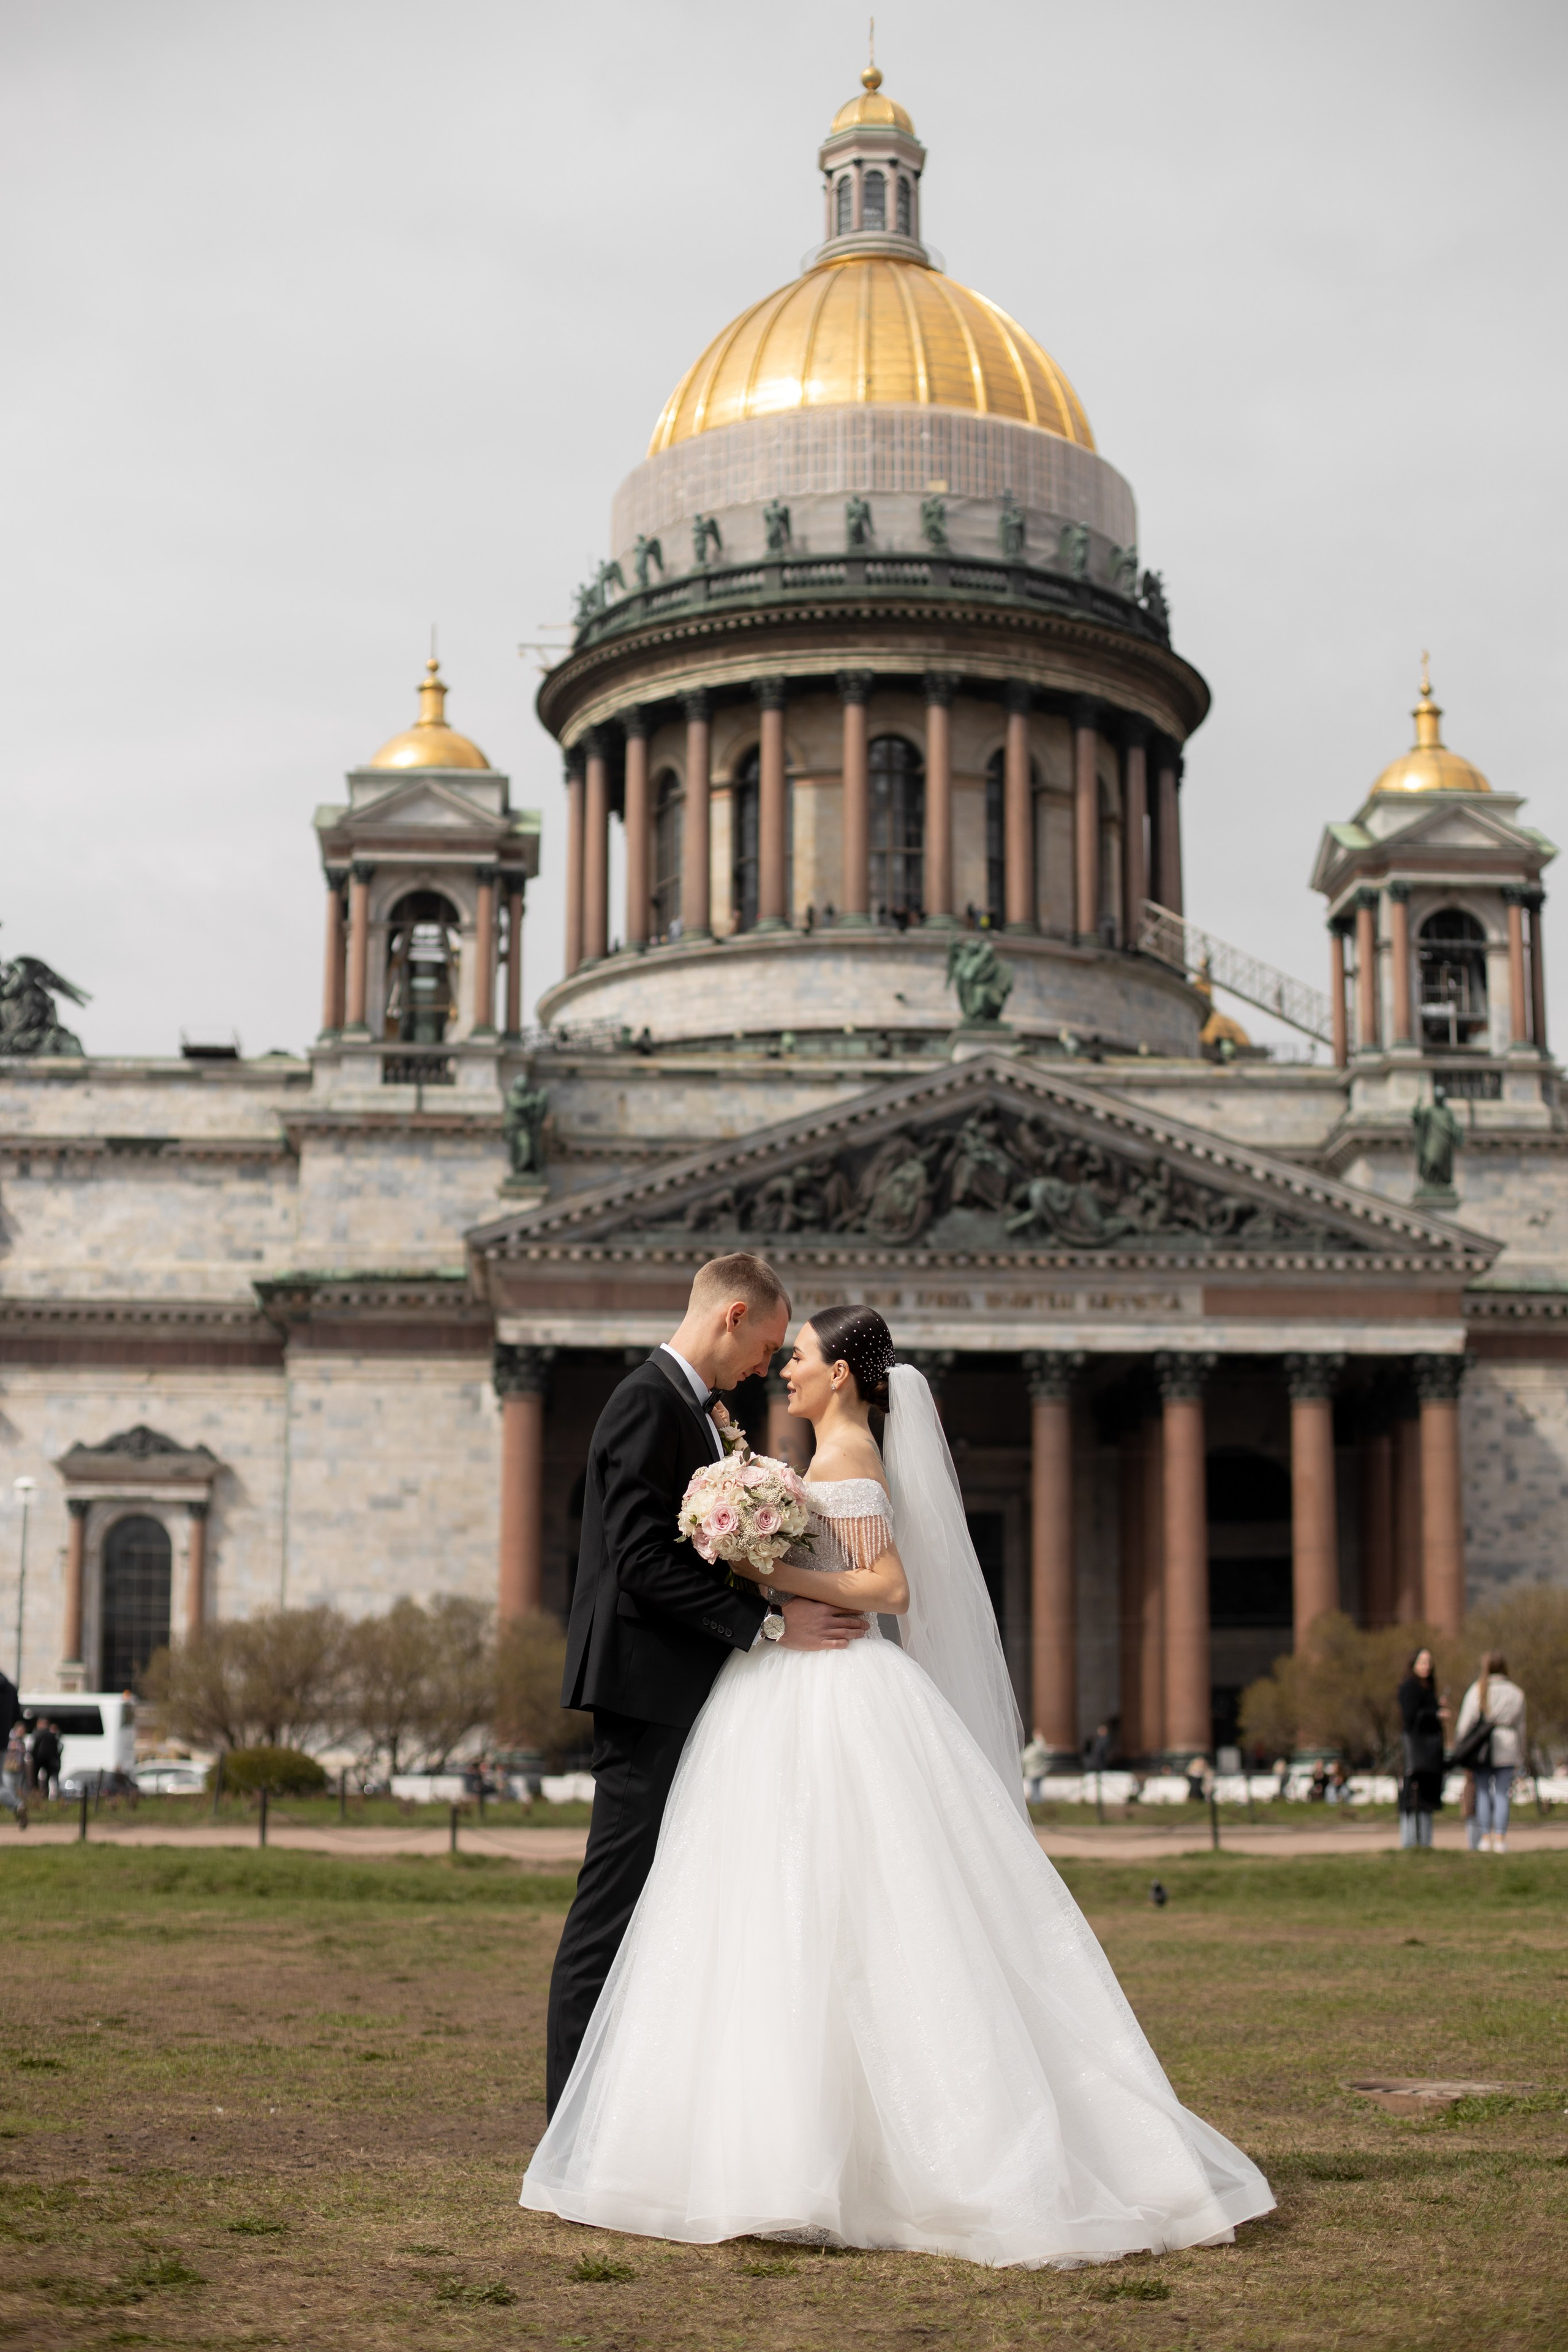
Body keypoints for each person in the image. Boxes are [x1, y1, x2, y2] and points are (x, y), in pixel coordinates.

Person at [524, 1305, 1273, 2266]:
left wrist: (775, 1580)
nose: (783, 1370)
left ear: (840, 1373)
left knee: (844, 1904)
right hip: (786, 1682)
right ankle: (774, 2142)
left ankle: (840, 2154)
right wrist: (760, 1574)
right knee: (772, 1904)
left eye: (798, 1356)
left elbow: (888, 1589)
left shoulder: (849, 1460)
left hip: (831, 1682)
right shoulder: (816, 1455)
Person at [542, 1253, 869, 2118]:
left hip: (690, 1690)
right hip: (645, 1692)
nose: (767, 1366)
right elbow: (639, 1560)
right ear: (732, 1317)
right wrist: (768, 1623)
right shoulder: (645, 1402)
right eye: (766, 1345)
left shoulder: (694, 1410)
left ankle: (636, 2111)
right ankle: (570, 2123)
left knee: (676, 1907)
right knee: (612, 1912)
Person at [1454, 1651, 1527, 1855]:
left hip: (1482, 1748)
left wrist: (1461, 1746)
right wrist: (1521, 1753)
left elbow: (1465, 1723)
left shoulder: (1478, 1690)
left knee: (1483, 1792)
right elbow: (1522, 1727)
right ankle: (1501, 1839)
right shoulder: (1516, 1693)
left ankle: (1485, 1838)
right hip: (1508, 1746)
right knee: (1502, 1793)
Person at [1397, 1648, 1447, 1849]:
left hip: (1430, 1752)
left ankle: (1425, 1842)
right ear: (1413, 1664)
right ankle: (1410, 1842)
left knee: (1427, 1796)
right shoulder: (1409, 1686)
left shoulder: (1429, 1687)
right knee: (1412, 1795)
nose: (1426, 1666)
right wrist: (1435, 1714)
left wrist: (1435, 1708)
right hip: (1417, 1750)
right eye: (1422, 1662)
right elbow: (1410, 1717)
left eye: (1429, 1662)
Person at [1, 1721, 27, 1830]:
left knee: (11, 1791)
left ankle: (18, 1808)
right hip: (8, 1769)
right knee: (8, 1789)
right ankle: (18, 1806)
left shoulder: (21, 1741)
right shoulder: (10, 1738)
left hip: (17, 1770)